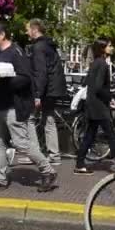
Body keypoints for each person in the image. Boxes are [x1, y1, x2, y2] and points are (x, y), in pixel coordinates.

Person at [0, 22, 58, 193]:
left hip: (14, 105)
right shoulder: (0, 53)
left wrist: (1, 81)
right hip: (1, 105)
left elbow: (25, 78)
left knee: (21, 143)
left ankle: (48, 171)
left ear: (2, 35)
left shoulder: (16, 52)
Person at [20, 18, 67, 166]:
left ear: (35, 29)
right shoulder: (49, 45)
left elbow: (40, 72)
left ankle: (36, 154)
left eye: (28, 29)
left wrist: (37, 94)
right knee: (49, 119)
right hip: (53, 89)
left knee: (30, 119)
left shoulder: (38, 47)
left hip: (45, 89)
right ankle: (54, 155)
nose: (27, 32)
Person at [74, 38, 115, 175]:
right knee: (111, 135)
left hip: (92, 105)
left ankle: (79, 164)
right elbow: (99, 87)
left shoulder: (95, 63)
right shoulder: (103, 65)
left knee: (89, 135)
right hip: (99, 107)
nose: (112, 47)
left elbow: (88, 82)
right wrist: (110, 98)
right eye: (109, 46)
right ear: (102, 48)